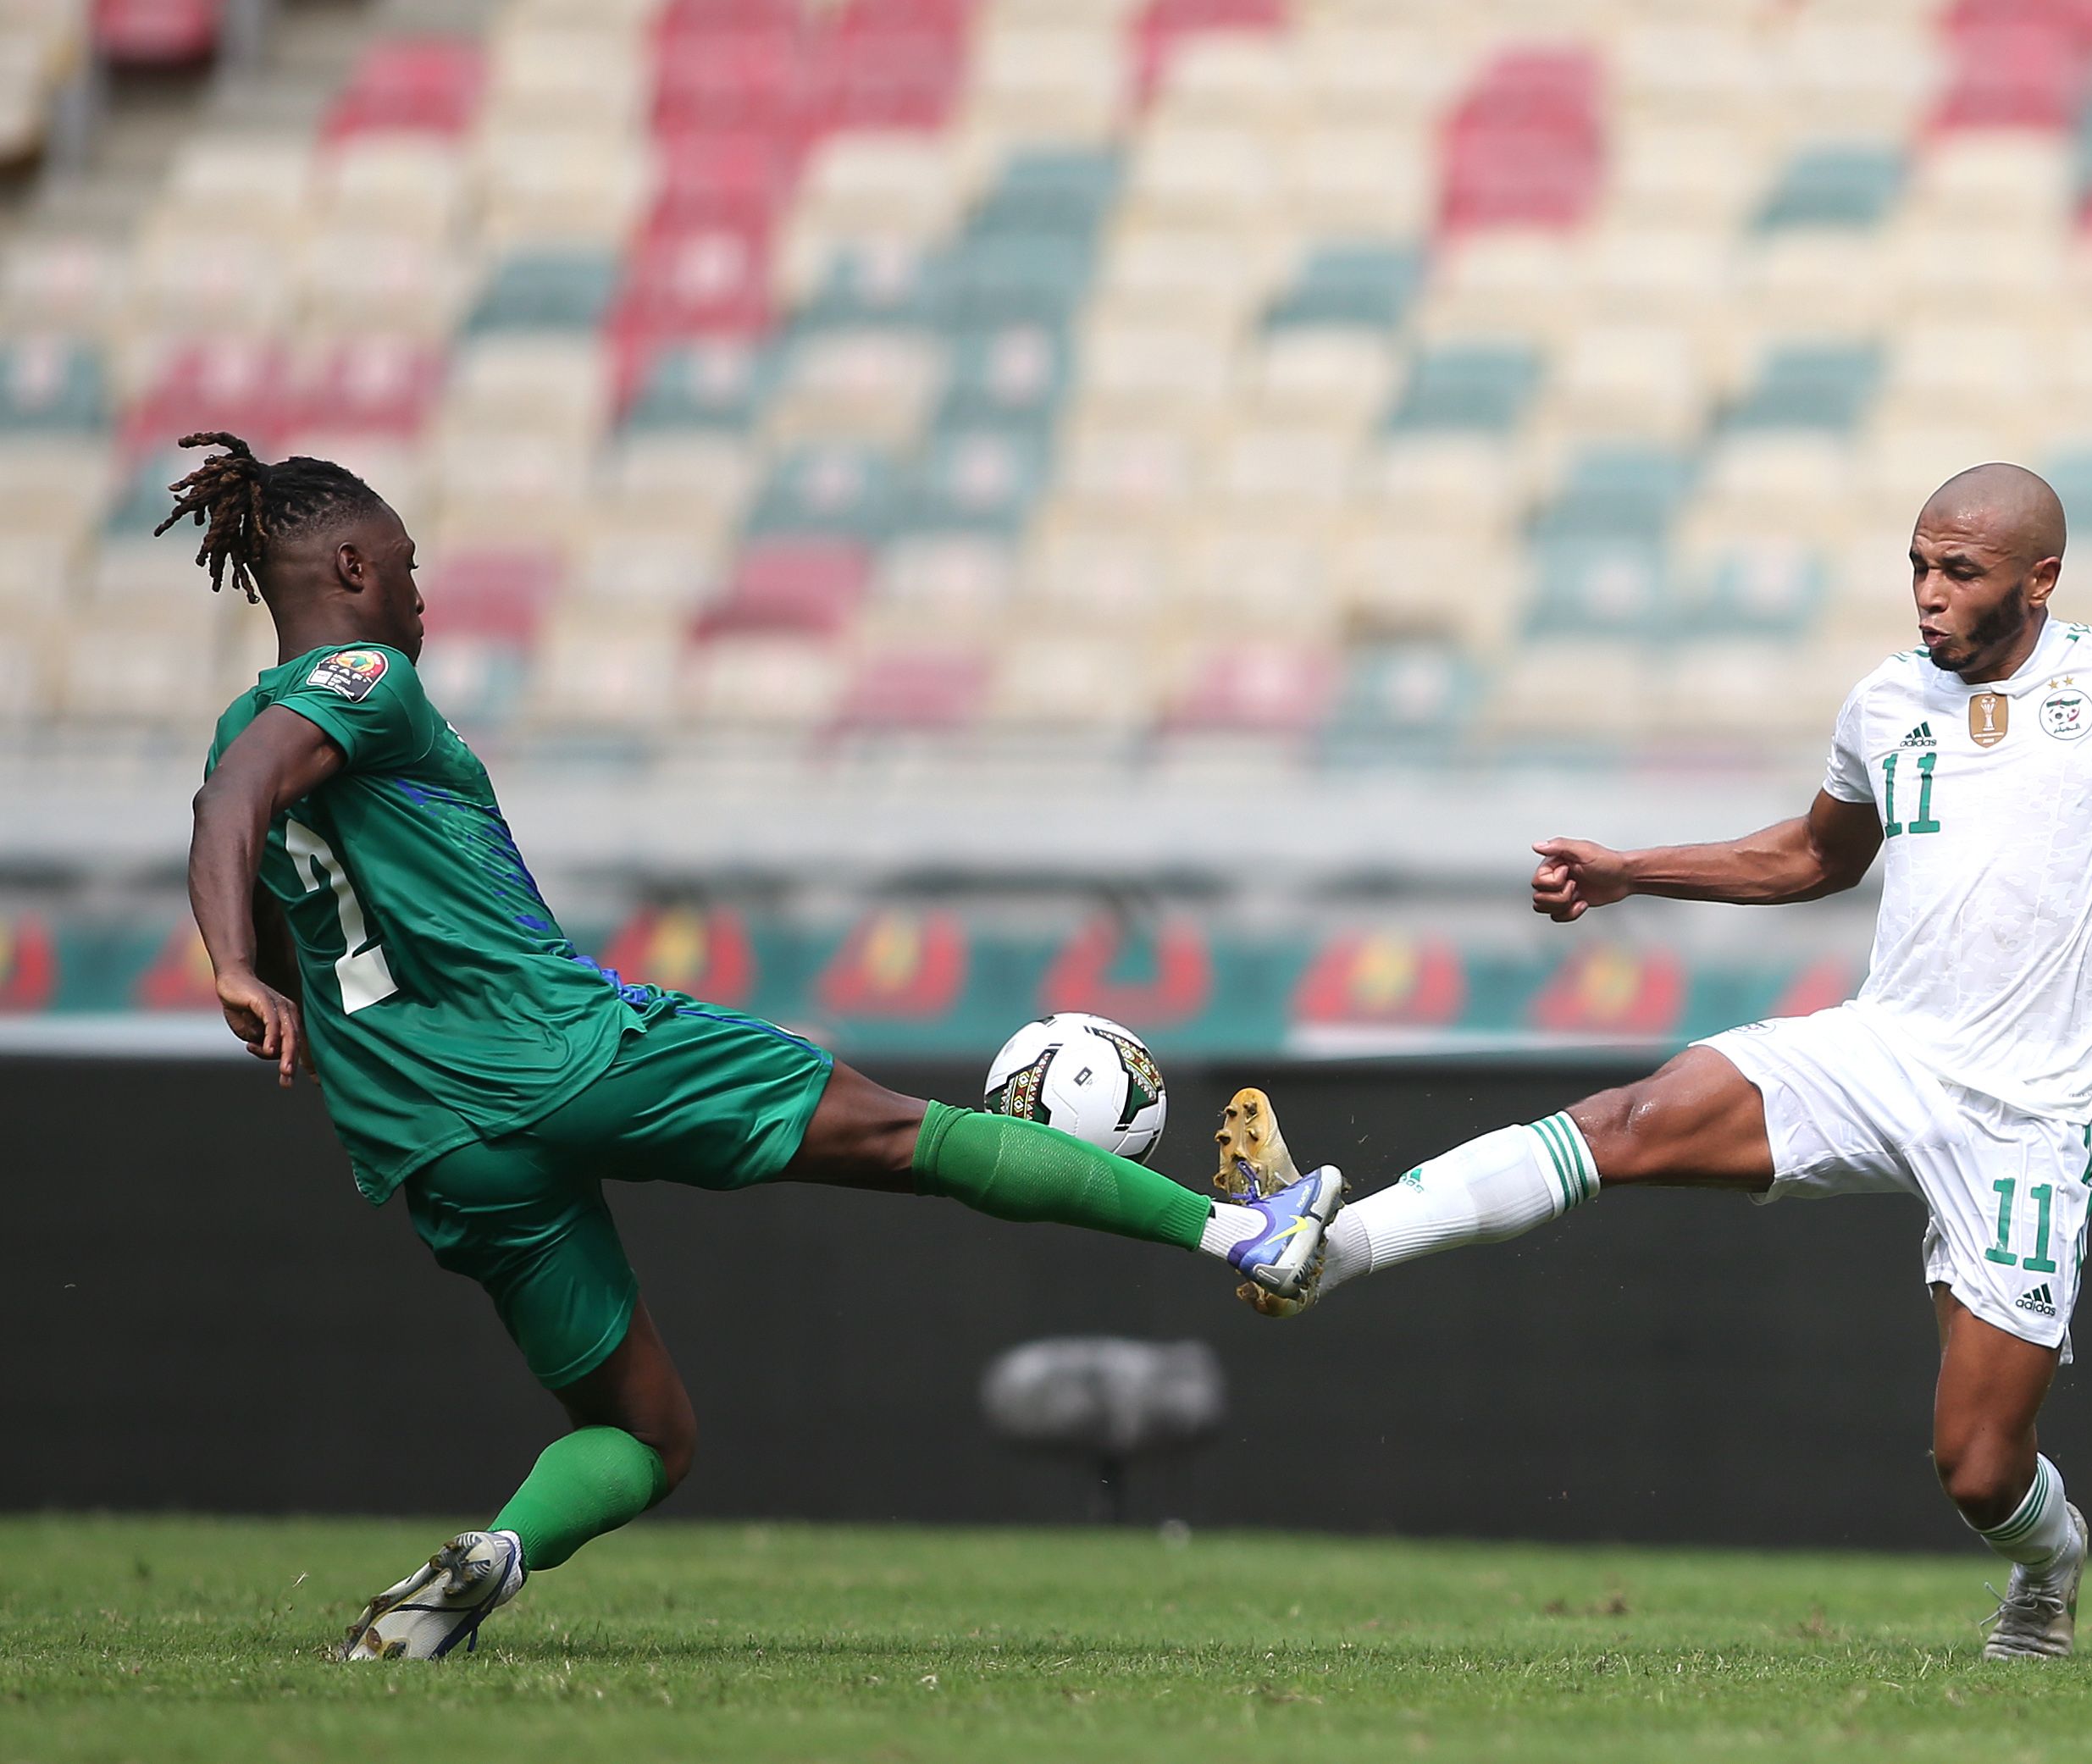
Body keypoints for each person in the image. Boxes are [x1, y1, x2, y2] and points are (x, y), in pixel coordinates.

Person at [1220, 406, 2092, 1660]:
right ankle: (1327, 1252)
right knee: (1630, 1119)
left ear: (2040, 577)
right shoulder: (1886, 702)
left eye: (1960, 571)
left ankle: (2049, 1566)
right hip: (1882, 1049)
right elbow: (1810, 856)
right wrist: (1631, 872)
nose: (1928, 594)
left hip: (2027, 1112)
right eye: (1916, 566)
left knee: (1977, 1467)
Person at [166, 432, 1343, 1661]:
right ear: (350, 564)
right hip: (556, 1047)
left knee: (647, 1434)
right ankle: (1246, 1231)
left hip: (434, 1144)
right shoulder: (368, 681)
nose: (421, 596)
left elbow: (239, 815)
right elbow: (234, 798)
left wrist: (253, 964)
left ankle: (491, 1562)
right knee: (903, 1132)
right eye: (406, 567)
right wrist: (236, 967)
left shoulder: (240, 735)